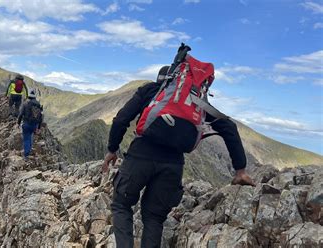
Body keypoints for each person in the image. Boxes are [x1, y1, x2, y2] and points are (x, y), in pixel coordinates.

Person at [102, 63, 255, 247]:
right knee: (154, 217)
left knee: (122, 206)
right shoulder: (196, 102)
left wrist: (112, 149)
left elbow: (121, 120)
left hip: (140, 156)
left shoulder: (150, 91)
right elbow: (229, 128)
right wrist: (240, 170)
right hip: (173, 165)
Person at [17, 90, 43, 158]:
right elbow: (40, 117)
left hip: (26, 124)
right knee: (30, 136)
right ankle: (29, 150)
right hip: (34, 125)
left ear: (28, 97)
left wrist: (18, 123)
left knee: (26, 139)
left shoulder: (25, 104)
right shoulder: (38, 105)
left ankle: (26, 155)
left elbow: (21, 114)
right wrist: (39, 128)